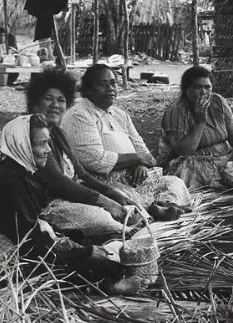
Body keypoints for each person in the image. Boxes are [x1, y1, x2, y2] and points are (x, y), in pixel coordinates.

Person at [0, 115, 144, 293]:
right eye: (41, 144)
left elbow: (30, 226)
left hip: (23, 235)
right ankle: (106, 284)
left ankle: (106, 277)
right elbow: (29, 240)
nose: (47, 150)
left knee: (84, 255)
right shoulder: (9, 180)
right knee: (48, 270)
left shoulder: (24, 171)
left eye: (48, 143)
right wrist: (81, 252)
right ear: (23, 145)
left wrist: (74, 246)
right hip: (2, 244)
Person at [61, 64, 191, 213]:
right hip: (103, 182)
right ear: (88, 90)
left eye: (113, 83)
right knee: (121, 197)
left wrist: (141, 165)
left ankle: (163, 205)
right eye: (102, 84)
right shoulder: (79, 115)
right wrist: (137, 158)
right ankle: (152, 210)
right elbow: (95, 160)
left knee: (174, 182)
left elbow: (143, 151)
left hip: (135, 178)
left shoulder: (119, 114)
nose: (110, 88)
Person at [26, 70, 146, 228]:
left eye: (61, 100)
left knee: (126, 204)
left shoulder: (58, 133)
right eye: (48, 99)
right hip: (47, 206)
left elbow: (81, 174)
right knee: (106, 220)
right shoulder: (32, 132)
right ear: (35, 103)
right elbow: (58, 181)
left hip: (70, 197)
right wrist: (104, 201)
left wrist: (112, 194)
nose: (55, 105)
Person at [161, 66, 233, 187]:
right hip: (194, 162)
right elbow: (184, 152)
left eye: (207, 87)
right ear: (186, 90)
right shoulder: (176, 110)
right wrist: (200, 122)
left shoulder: (218, 102)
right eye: (197, 87)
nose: (203, 92)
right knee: (208, 176)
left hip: (225, 156)